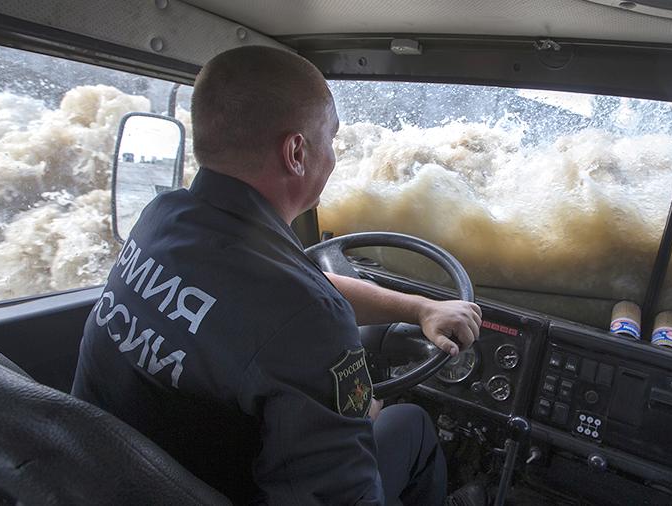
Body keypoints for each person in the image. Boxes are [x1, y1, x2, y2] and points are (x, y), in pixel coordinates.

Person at [71, 45, 482, 505]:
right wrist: (355, 418)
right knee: (410, 424)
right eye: (331, 139)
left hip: (100, 479)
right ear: (296, 152)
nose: (333, 155)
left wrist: (420, 306)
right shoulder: (305, 317)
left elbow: (295, 294)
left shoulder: (162, 218)